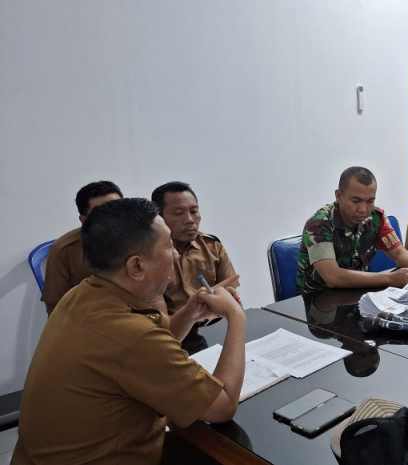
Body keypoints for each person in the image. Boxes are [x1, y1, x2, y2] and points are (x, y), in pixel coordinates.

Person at [13, 198, 246, 465]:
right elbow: (222, 407)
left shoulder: (83, 294)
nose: (176, 255)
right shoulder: (133, 337)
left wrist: (191, 312)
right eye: (168, 246)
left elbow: (146, 348)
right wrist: (236, 317)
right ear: (136, 266)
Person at [297, 166, 408, 296]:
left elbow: (399, 253)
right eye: (356, 201)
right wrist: (390, 278)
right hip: (319, 301)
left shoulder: (375, 218)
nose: (363, 209)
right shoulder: (319, 224)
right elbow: (333, 277)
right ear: (339, 196)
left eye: (370, 201)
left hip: (358, 294)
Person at [151, 181, 238, 354]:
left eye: (194, 211)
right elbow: (160, 323)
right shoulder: (151, 257)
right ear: (159, 217)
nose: (190, 220)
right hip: (174, 335)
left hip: (213, 327)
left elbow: (231, 295)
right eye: (178, 213)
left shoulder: (212, 246)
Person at [41, 180, 123, 315]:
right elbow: (55, 306)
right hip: (91, 318)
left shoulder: (143, 238)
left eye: (118, 208)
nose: (114, 217)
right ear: (84, 221)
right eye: (102, 213)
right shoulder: (64, 249)